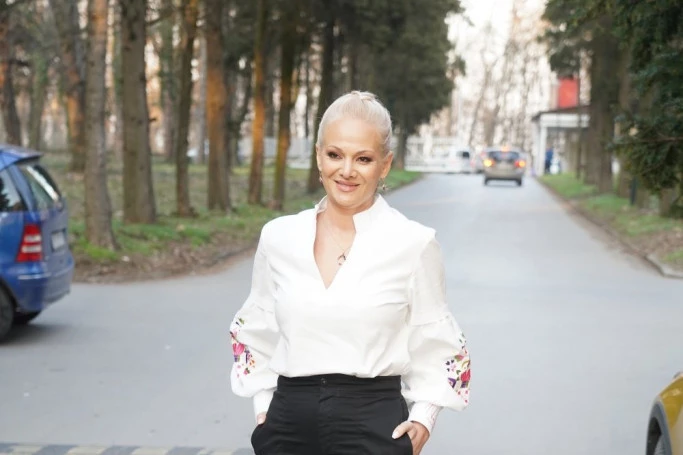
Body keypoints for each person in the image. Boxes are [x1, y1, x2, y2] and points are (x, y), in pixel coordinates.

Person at [230, 90, 470, 455]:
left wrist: (424, 418)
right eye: (334, 155)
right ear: (318, 156)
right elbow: (257, 328)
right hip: (287, 427)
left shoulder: (414, 243)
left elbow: (435, 341)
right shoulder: (279, 237)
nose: (346, 171)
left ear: (385, 165)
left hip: (373, 427)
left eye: (363, 158)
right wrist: (264, 406)